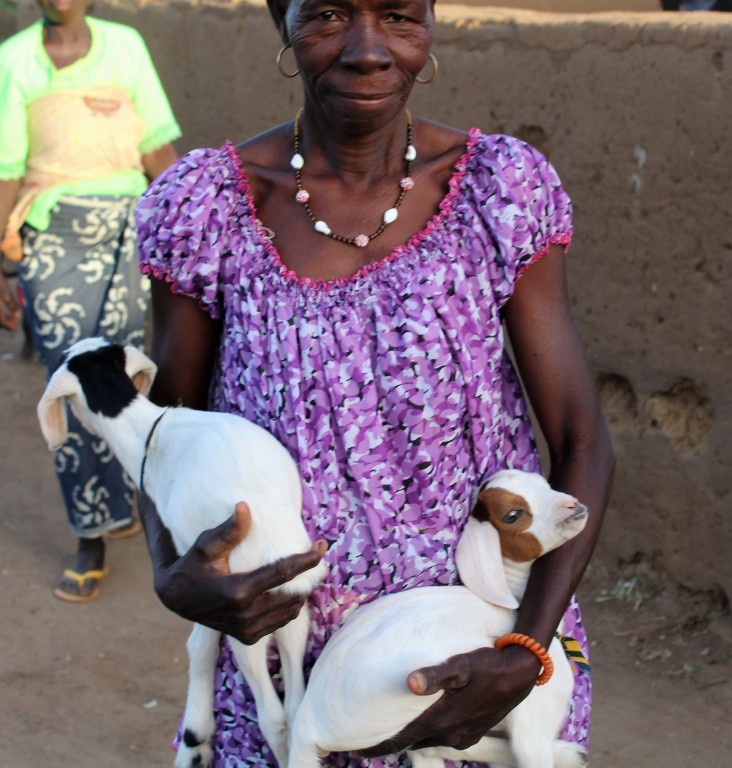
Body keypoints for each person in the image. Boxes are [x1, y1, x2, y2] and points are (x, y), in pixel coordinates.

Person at [134, 0, 615, 764]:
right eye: (327, 14)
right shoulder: (209, 210)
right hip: (292, 672)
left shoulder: (498, 190)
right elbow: (163, 435)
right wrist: (172, 572)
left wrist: (527, 649)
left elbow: (580, 439)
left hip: (479, 659)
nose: (367, 51)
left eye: (397, 15)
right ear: (277, 17)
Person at [0, 0, 181, 602]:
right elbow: (5, 168)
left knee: (122, 382)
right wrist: (3, 263)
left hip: (124, 235)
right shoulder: (15, 60)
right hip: (51, 234)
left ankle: (123, 501)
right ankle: (90, 536)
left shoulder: (124, 46)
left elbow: (157, 148)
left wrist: (187, 233)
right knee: (68, 380)